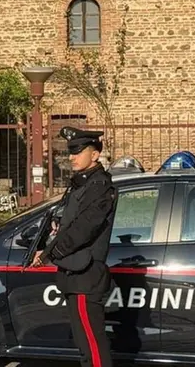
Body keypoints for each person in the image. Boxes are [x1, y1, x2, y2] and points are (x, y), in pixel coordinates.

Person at [30, 126, 117, 367]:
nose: (72, 157)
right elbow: (66, 224)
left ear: (95, 154)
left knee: (93, 346)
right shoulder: (80, 185)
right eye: (71, 152)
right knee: (84, 347)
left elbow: (83, 229)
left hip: (85, 276)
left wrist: (50, 254)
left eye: (78, 151)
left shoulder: (99, 187)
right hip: (73, 273)